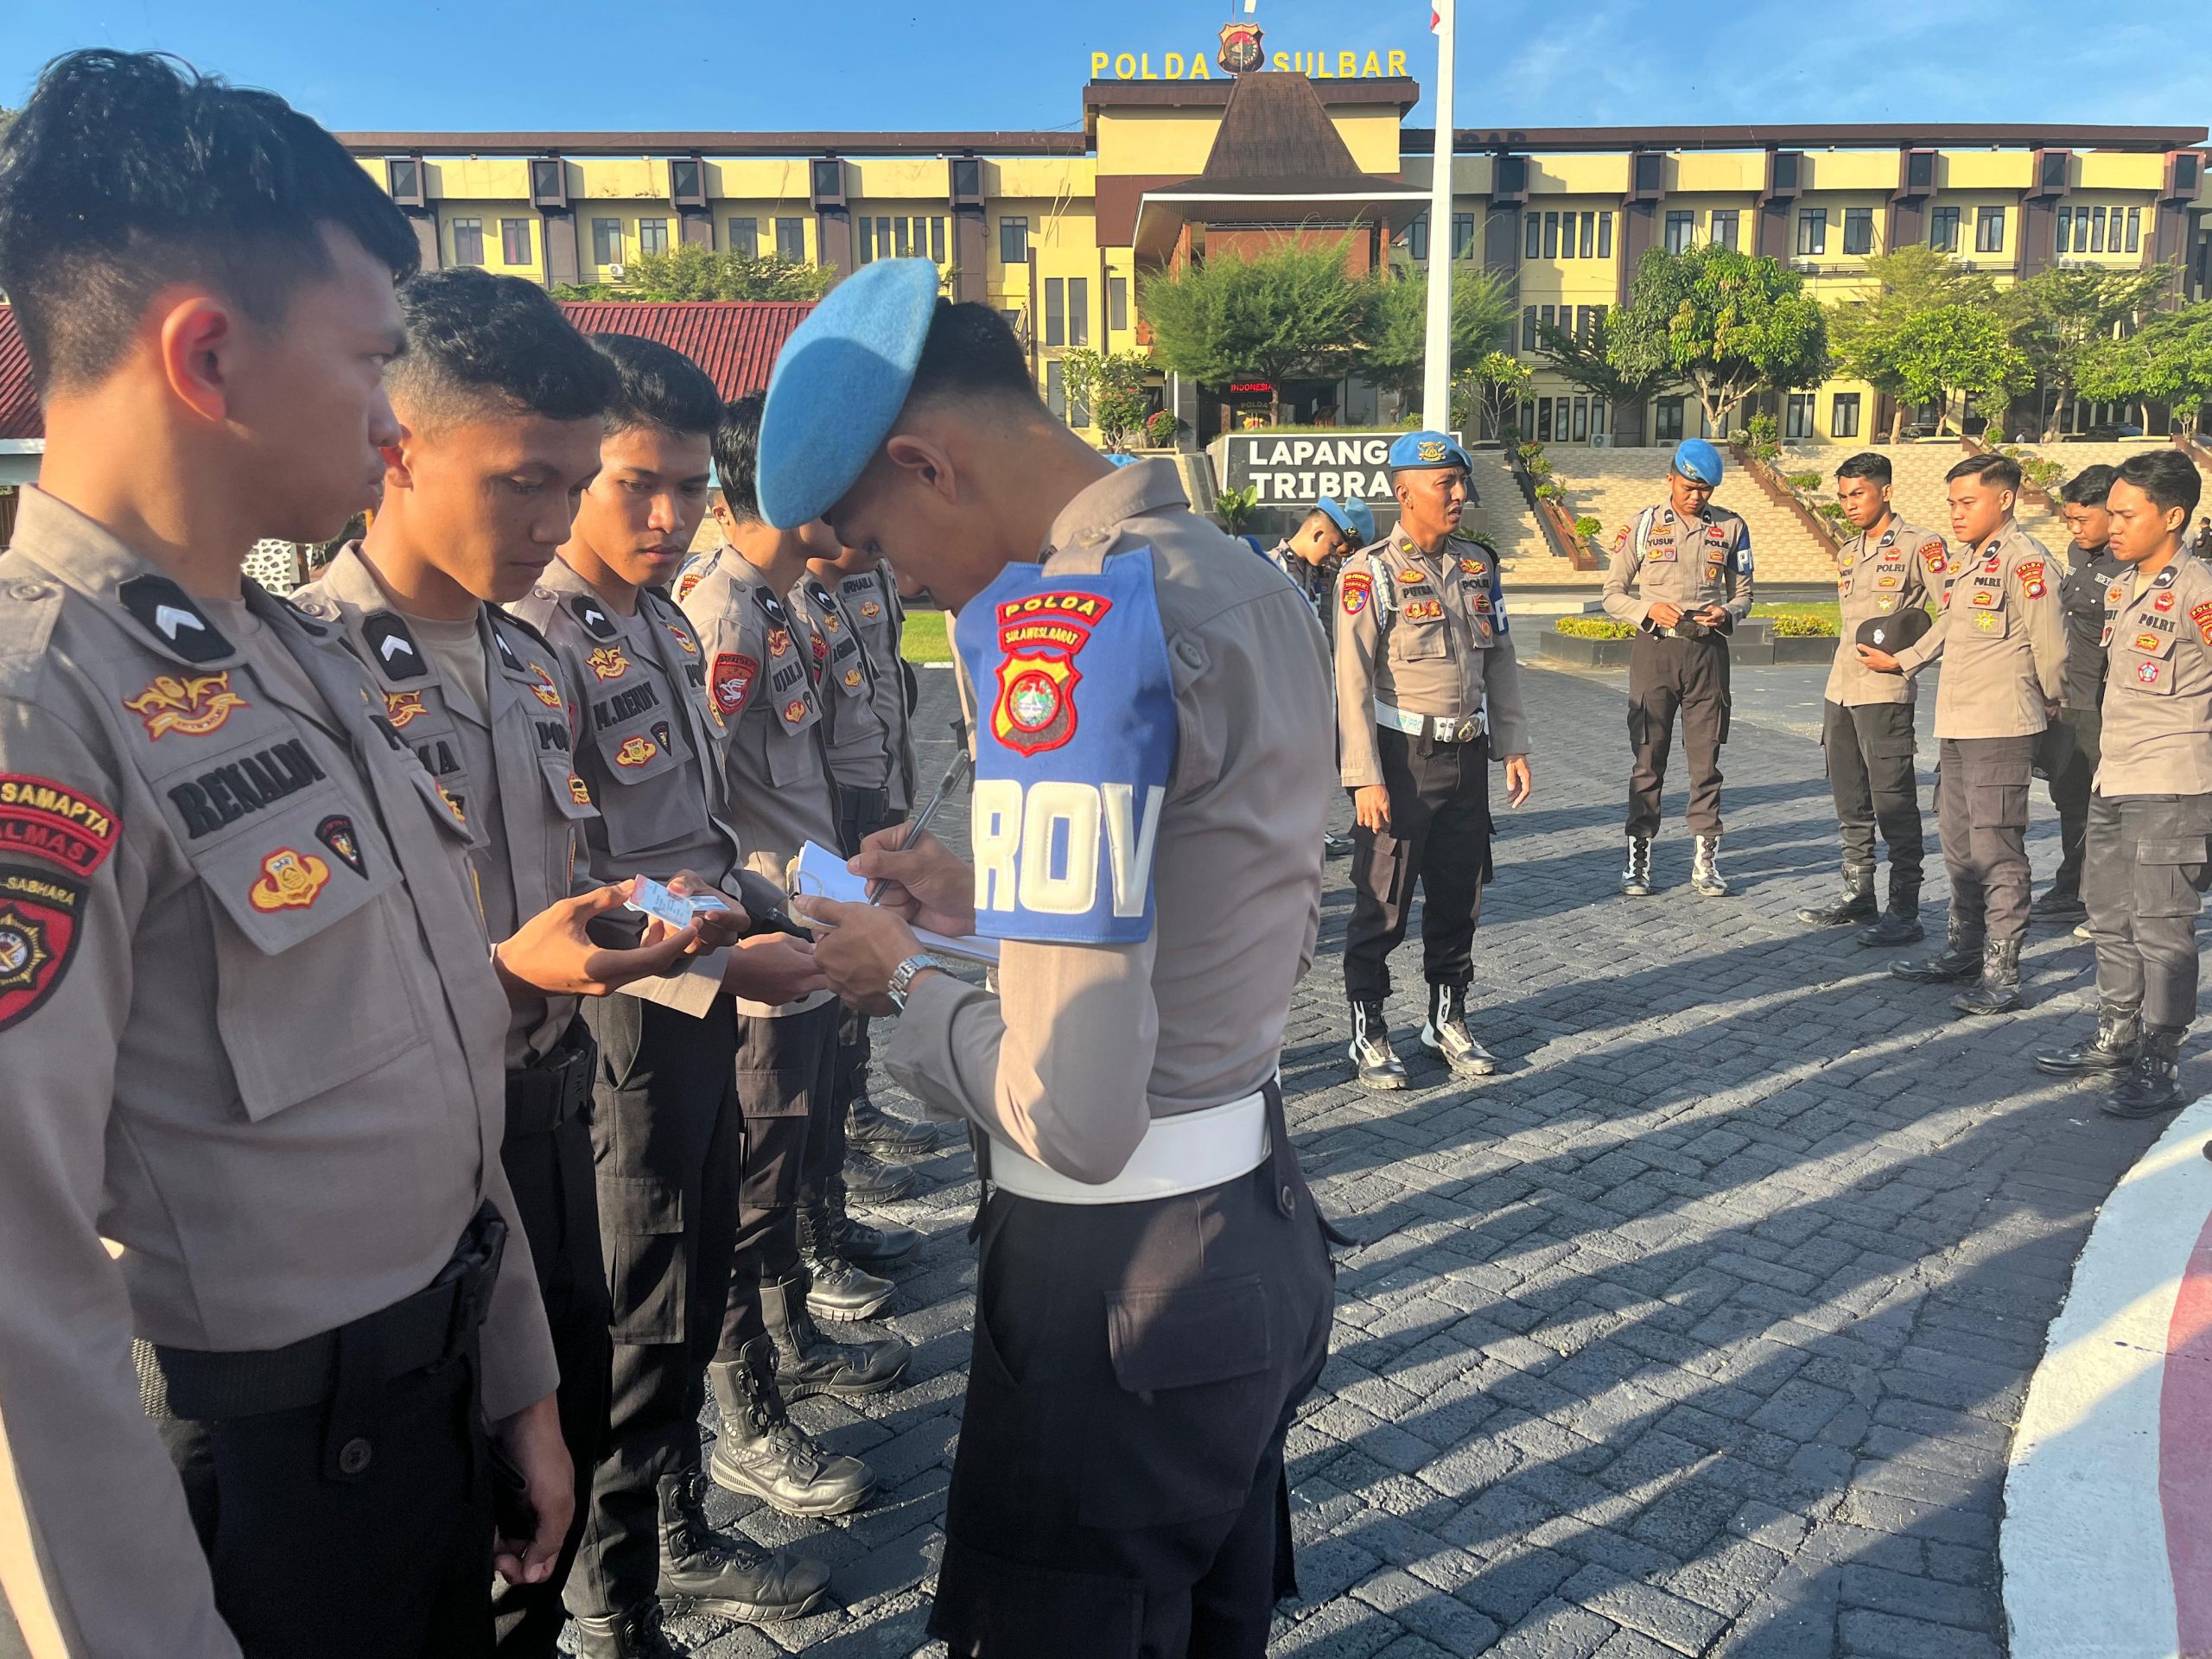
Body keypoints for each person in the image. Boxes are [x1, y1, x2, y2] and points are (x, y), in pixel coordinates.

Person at [0, 49, 712, 1659]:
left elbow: (445, 1055)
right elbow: (16, 1290)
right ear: (207, 355)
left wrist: (514, 1377)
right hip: (260, 1474)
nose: (395, 416)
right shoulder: (39, 705)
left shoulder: (296, 664)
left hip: (423, 1399)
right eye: (372, 360)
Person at [768, 261, 1338, 1659]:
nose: (899, 579)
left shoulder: (1070, 633)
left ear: (928, 463)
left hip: (1118, 1275)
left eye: (878, 539)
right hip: (1247, 1227)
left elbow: (1075, 1117)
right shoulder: (1236, 575)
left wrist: (903, 979)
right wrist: (978, 897)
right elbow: (1212, 883)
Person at [512, 336, 832, 1656]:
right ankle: (616, 1598)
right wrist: (725, 956)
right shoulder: (537, 635)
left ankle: (672, 1524)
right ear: (578, 472)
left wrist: (778, 903)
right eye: (637, 483)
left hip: (695, 1010)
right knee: (636, 1312)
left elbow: (692, 833)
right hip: (624, 1029)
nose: (668, 515)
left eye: (691, 488)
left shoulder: (648, 618)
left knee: (690, 1286)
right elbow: (569, 881)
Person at [682, 391, 913, 1494]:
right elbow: (696, 804)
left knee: (798, 1151)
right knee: (754, 1176)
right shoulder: (724, 611)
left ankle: (791, 1340)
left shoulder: (784, 605)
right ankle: (745, 1417)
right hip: (765, 939)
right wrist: (752, 917)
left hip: (810, 911)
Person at [1334, 434, 1534, 1089]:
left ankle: (1446, 1018)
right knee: (1383, 901)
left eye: (1460, 482)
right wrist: (1364, 776)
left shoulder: (1477, 565)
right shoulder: (1369, 572)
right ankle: (1368, 1028)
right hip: (1402, 760)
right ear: (1404, 492)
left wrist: (1512, 744)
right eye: (1445, 483)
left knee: (1458, 896)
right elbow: (1352, 683)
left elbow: (1500, 658)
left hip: (1467, 754)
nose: (1458, 494)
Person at [2035, 449, 2212, 1116]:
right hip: (2115, 776)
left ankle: (2160, 1060)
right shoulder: (2122, 586)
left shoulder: (2199, 592)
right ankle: (2117, 1033)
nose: (2112, 526)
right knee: (2109, 915)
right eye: (2110, 513)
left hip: (2172, 785)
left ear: (2172, 516)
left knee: (2162, 928)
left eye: (2127, 514)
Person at [1862, 453, 2065, 1015]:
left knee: (1997, 850)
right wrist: (1903, 661)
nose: (1956, 513)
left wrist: (2053, 703)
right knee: (1958, 844)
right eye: (1952, 503)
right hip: (1957, 727)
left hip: (2000, 728)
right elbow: (1950, 623)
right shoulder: (1971, 560)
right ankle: (1964, 951)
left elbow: (2052, 646)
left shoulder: (2026, 562)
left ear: (2005, 499)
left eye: (1968, 502)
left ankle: (2003, 973)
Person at [1796, 451, 1949, 944]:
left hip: (1885, 692)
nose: (1849, 504)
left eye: (1858, 493)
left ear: (1885, 491)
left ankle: (1905, 910)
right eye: (1843, 496)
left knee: (1893, 803)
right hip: (1841, 690)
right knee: (1851, 799)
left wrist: (1907, 661)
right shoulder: (1848, 551)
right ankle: (1859, 894)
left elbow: (1955, 613)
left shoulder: (1921, 545)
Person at [1601, 437, 1754, 898]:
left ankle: (1706, 860)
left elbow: (1744, 593)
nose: (1696, 496)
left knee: (1706, 760)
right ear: (1670, 479)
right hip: (1656, 650)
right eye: (1689, 487)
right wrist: (1647, 609)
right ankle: (1638, 859)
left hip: (1708, 653)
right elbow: (1612, 594)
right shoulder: (1643, 526)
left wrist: (1728, 613)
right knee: (1648, 757)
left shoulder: (1731, 527)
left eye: (1705, 489)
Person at [2029, 465, 2124, 926]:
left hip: (2103, 701)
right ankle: (2073, 883)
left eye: (2083, 519)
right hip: (2067, 697)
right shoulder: (2076, 553)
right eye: (2069, 519)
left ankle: (2102, 896)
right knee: (2069, 794)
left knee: (2104, 803)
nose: (2074, 529)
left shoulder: (2127, 564)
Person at [1265, 495, 1369, 626]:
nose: (1334, 553)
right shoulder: (1273, 566)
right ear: (1318, 535)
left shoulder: (1313, 569)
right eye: (1334, 545)